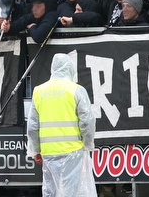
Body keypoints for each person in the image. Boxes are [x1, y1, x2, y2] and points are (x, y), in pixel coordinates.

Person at [27, 54, 96, 197]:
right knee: (73, 192)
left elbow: (32, 126)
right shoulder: (76, 90)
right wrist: (87, 144)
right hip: (73, 152)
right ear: (70, 69)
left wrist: (36, 151)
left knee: (51, 192)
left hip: (48, 153)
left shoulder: (39, 91)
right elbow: (87, 121)